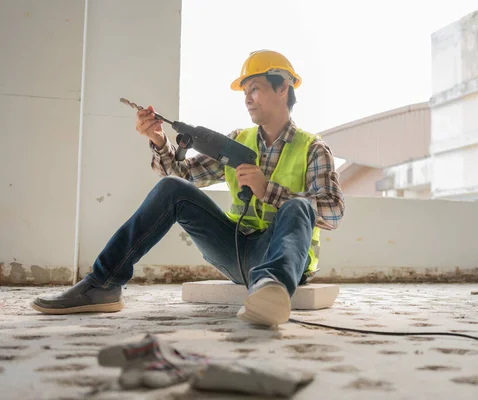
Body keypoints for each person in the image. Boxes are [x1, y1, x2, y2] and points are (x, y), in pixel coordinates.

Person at [31, 50, 345, 326]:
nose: (247, 98)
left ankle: (270, 292)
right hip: (236, 249)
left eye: (255, 89)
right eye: (245, 91)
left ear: (283, 87)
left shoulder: (313, 148)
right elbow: (183, 175)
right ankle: (102, 283)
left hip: (283, 257)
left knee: (300, 205)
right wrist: (158, 140)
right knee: (171, 188)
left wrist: (269, 191)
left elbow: (332, 211)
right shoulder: (239, 141)